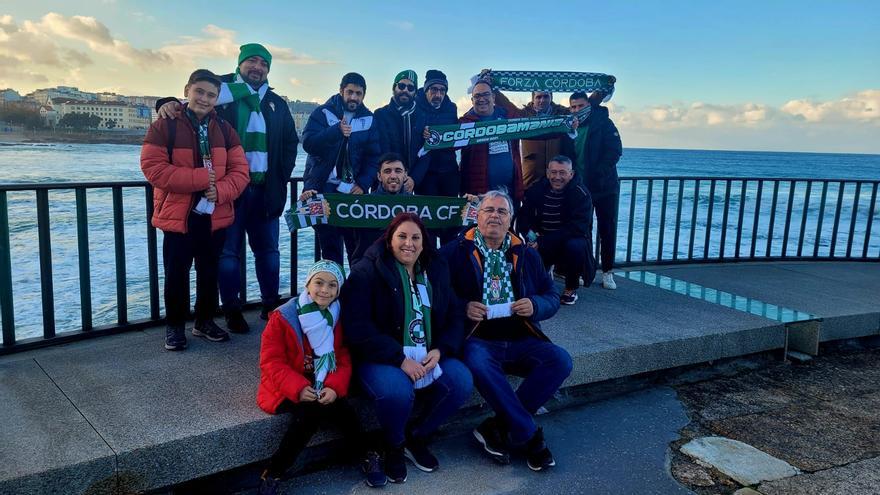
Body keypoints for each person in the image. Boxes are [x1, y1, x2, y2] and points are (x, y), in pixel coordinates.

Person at [156, 43, 300, 332]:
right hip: (227, 192)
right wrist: (164, 102)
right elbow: (191, 103)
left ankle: (271, 306)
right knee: (228, 254)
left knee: (269, 253)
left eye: (263, 63)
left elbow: (289, 145)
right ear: (240, 63)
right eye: (252, 61)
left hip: (265, 191)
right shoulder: (222, 92)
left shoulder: (277, 103)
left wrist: (279, 178)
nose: (257, 67)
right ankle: (232, 309)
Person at [440, 189, 571, 471]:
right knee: (477, 362)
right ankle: (530, 435)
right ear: (477, 214)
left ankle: (495, 426)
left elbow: (552, 295)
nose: (495, 216)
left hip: (521, 337)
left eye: (502, 211)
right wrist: (463, 307)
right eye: (489, 210)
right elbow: (437, 295)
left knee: (560, 360)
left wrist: (535, 305)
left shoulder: (525, 253)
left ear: (510, 218)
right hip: (479, 339)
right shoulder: (454, 251)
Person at [340, 213, 473, 484]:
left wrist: (442, 349)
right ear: (390, 240)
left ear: (424, 242)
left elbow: (455, 314)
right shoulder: (366, 271)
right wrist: (399, 358)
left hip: (427, 350)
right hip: (381, 356)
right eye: (402, 236)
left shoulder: (436, 268)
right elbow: (357, 326)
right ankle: (395, 445)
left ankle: (417, 436)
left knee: (460, 381)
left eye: (415, 237)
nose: (408, 243)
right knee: (396, 392)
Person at [141, 69, 250, 351]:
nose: (204, 98)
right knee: (176, 272)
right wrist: (201, 179)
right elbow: (153, 169)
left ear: (217, 99)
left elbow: (241, 171)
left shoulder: (225, 130)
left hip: (214, 212)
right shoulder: (165, 125)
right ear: (187, 90)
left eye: (210, 94)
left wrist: (222, 190)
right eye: (199, 92)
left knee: (209, 270)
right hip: (180, 213)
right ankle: (175, 327)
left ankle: (203, 321)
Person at [256, 260, 385, 493]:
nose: (325, 290)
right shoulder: (283, 317)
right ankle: (274, 471)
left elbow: (343, 357)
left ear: (338, 291)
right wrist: (297, 388)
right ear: (307, 284)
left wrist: (334, 387)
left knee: (342, 409)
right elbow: (271, 361)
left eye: (332, 285)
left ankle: (367, 454)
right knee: (311, 413)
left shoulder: (337, 316)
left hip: (324, 379)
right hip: (287, 383)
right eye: (319, 282)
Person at [302, 72, 381, 266]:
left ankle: (354, 292)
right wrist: (335, 131)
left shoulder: (369, 119)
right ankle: (331, 293)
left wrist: (363, 184)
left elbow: (373, 157)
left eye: (359, 93)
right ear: (341, 91)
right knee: (329, 249)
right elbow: (308, 143)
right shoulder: (322, 113)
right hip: (323, 188)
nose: (354, 97)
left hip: (352, 191)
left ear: (364, 95)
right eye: (350, 92)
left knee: (356, 247)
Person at [561, 91, 623, 289]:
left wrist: (599, 172)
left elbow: (615, 150)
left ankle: (607, 271)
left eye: (580, 106)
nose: (577, 110)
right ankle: (583, 270)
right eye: (573, 107)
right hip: (581, 188)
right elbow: (566, 155)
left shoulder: (604, 123)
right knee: (582, 230)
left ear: (589, 105)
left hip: (605, 188)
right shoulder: (569, 127)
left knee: (607, 228)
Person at [517, 155, 596, 304]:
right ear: (547, 173)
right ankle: (541, 277)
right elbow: (523, 217)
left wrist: (543, 241)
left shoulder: (581, 194)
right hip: (541, 238)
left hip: (567, 240)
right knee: (524, 250)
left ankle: (571, 288)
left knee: (575, 246)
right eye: (553, 172)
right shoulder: (537, 189)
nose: (557, 177)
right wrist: (529, 236)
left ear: (571, 174)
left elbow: (577, 228)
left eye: (562, 173)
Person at [350, 152, 413, 265]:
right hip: (369, 266)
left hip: (405, 266)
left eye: (398, 171)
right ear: (379, 176)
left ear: (405, 175)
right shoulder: (363, 204)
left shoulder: (418, 205)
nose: (393, 176)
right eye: (387, 171)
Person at [373, 70, 422, 191]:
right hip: (386, 179)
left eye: (410, 88)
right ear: (394, 87)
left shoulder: (423, 117)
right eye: (401, 86)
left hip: (411, 182)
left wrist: (413, 178)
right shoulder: (380, 114)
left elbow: (426, 152)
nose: (405, 90)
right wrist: (392, 175)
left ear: (415, 92)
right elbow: (380, 148)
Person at [515, 91, 571, 189]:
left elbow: (582, 108)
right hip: (531, 175)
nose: (542, 100)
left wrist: (601, 92)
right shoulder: (523, 114)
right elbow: (505, 105)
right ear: (533, 99)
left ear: (551, 97)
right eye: (538, 97)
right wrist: (495, 90)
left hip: (556, 176)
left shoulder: (561, 112)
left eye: (546, 96)